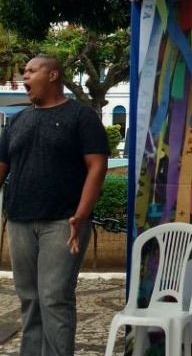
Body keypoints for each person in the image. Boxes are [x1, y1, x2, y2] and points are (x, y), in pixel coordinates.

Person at [0, 55, 109, 356]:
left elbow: (97, 166)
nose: (24, 76)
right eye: (24, 72)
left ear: (53, 75)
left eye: (32, 71)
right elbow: (2, 166)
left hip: (64, 222)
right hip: (21, 221)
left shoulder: (81, 116)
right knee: (29, 298)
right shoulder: (18, 121)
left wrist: (81, 215)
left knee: (54, 297)